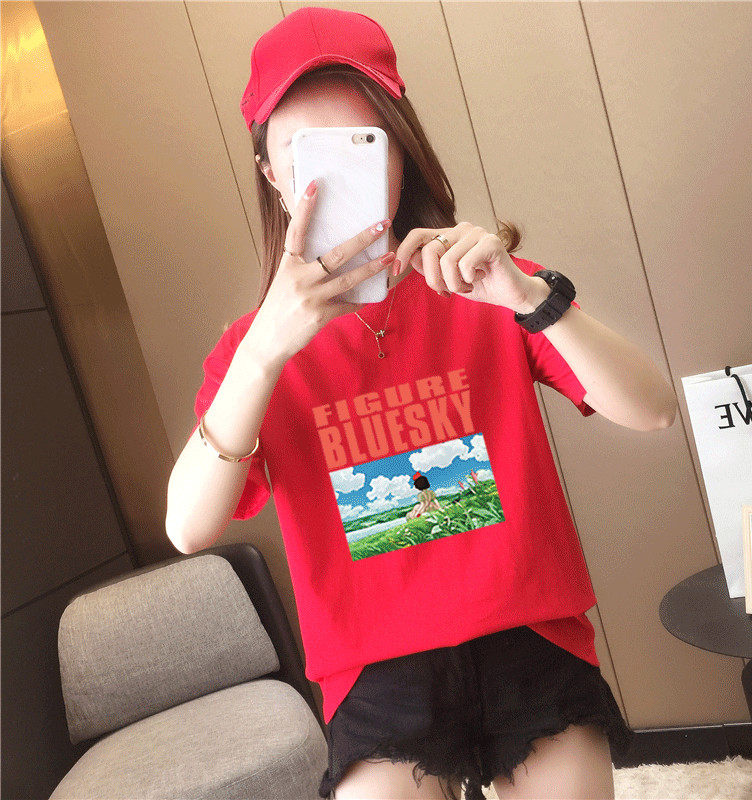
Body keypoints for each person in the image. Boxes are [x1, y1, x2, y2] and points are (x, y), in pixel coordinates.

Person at [165, 7, 678, 800]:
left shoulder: (485, 286)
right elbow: (188, 528)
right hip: (374, 670)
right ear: (270, 174)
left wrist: (528, 296)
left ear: (400, 152)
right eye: (305, 154)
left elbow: (653, 410)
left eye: (362, 144)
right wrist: (264, 352)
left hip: (530, 633)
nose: (334, 176)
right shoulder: (252, 352)